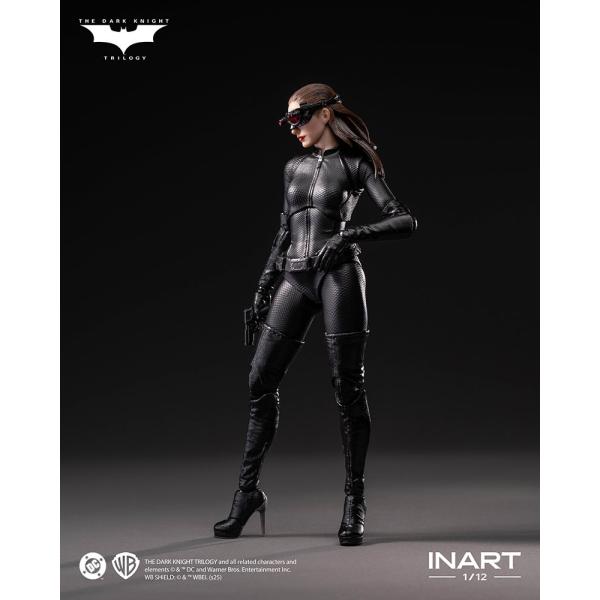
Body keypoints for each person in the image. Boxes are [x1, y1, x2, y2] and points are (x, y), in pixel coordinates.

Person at [213, 83, 417, 546]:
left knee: (348, 388)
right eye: (287, 120)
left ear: (325, 113)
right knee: (259, 380)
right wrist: (263, 287)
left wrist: (348, 236)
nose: (293, 127)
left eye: (299, 116)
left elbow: (404, 219)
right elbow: (283, 232)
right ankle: (246, 494)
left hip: (338, 276)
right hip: (294, 278)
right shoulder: (293, 167)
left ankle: (354, 500)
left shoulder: (356, 164)